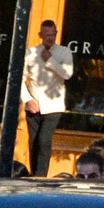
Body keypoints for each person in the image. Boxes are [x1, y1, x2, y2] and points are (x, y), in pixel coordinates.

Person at [23, 19, 74, 173]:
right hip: (33, 105)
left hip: (53, 106)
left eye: (53, 34)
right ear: (40, 35)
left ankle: (41, 177)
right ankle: (34, 175)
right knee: (33, 143)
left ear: (56, 34)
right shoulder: (30, 53)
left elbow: (67, 73)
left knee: (44, 141)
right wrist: (28, 100)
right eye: (47, 35)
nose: (50, 38)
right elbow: (19, 78)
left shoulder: (65, 52)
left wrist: (50, 59)